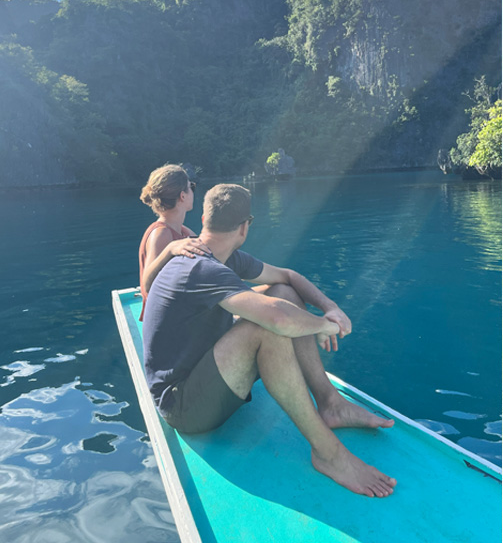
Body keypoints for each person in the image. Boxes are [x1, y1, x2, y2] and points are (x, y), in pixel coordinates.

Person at [141, 183, 396, 498]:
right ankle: (329, 455)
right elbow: (278, 319)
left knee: (284, 294)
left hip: (204, 372)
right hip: (182, 406)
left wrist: (331, 307)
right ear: (245, 227)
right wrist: (321, 326)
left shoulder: (225, 257)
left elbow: (288, 278)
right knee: (267, 328)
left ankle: (330, 404)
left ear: (206, 218)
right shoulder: (199, 267)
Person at [138, 164, 209, 318]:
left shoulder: (183, 231)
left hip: (184, 308)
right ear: (182, 196)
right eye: (192, 187)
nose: (193, 192)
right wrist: (169, 249)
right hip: (168, 318)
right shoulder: (161, 233)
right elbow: (147, 285)